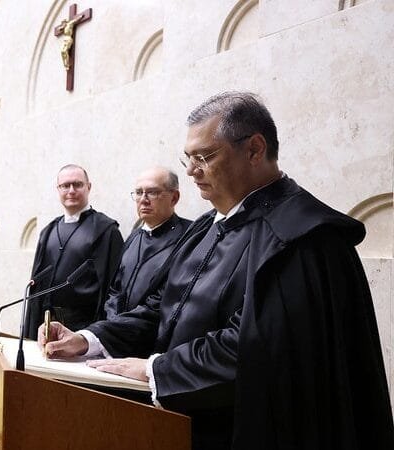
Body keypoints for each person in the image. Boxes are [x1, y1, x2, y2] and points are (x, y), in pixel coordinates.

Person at [39, 92, 394, 449]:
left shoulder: (301, 239)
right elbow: (163, 309)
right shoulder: (206, 226)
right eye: (189, 158)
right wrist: (90, 339)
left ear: (255, 149)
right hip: (182, 422)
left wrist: (157, 370)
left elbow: (256, 348)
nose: (192, 171)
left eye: (204, 157)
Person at [25, 164, 123, 339]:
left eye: (77, 185)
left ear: (88, 187)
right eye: (65, 185)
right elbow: (36, 286)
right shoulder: (48, 231)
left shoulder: (105, 230)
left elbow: (113, 289)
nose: (71, 190)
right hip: (45, 326)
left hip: (85, 330)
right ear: (58, 189)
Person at [102, 168, 191, 319]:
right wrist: (112, 321)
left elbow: (170, 299)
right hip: (117, 333)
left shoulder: (190, 236)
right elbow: (115, 289)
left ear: (174, 198)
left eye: (153, 192)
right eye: (138, 192)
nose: (143, 199)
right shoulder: (134, 236)